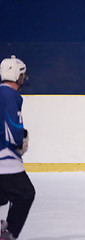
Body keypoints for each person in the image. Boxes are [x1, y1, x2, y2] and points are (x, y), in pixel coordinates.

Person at [0, 55, 35, 240]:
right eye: (22, 75)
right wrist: (20, 139)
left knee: (3, 197)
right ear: (16, 76)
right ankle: (8, 233)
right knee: (26, 194)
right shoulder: (11, 95)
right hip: (5, 160)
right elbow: (13, 129)